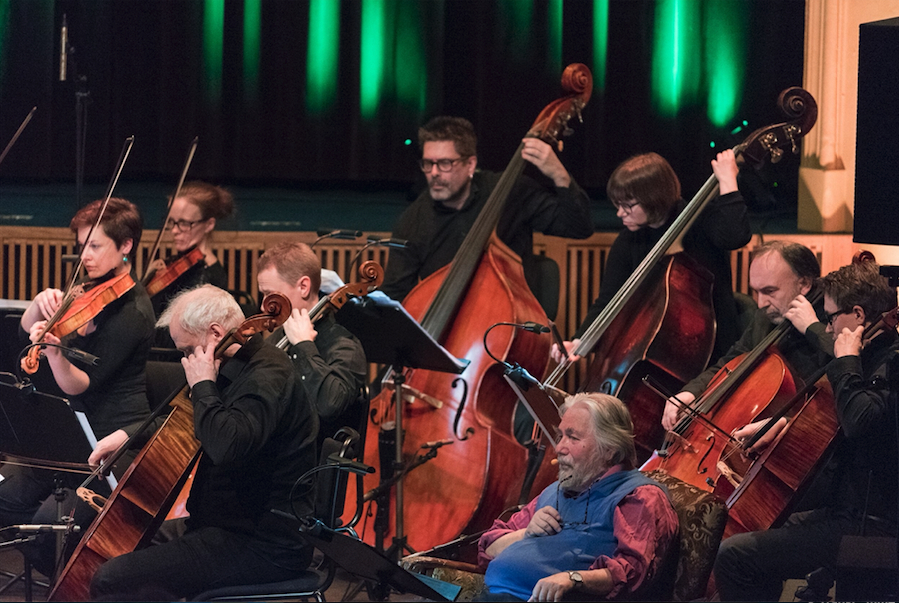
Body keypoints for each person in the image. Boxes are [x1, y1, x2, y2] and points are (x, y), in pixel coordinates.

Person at [90, 284, 318, 600]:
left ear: (214, 333)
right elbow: (186, 418)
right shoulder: (227, 365)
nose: (186, 360)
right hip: (216, 524)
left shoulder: (269, 375)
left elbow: (226, 445)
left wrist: (204, 386)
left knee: (112, 578)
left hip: (261, 542)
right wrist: (128, 435)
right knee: (115, 544)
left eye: (187, 350)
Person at [713, 259, 898, 601]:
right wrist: (783, 426)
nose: (826, 329)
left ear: (858, 314)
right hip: (844, 510)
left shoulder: (890, 362)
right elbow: (834, 418)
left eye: (830, 318)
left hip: (873, 526)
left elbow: (859, 422)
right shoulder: (865, 356)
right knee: (742, 539)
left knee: (736, 557)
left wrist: (844, 361)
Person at [0, 198, 155, 571]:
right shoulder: (87, 290)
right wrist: (38, 306)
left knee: (45, 530)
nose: (84, 255)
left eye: (95, 246)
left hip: (110, 443)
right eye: (82, 244)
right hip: (67, 437)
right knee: (5, 501)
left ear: (125, 246)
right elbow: (22, 338)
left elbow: (81, 384)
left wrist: (55, 353)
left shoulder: (133, 312)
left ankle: (75, 587)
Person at [554, 150, 751, 365]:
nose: (620, 213)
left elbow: (736, 236)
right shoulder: (629, 240)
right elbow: (609, 300)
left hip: (715, 350)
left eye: (627, 205)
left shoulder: (701, 221)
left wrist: (728, 181)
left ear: (653, 199)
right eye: (617, 205)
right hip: (657, 356)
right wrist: (580, 341)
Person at [476, 393, 678, 601]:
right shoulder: (556, 490)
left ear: (609, 449)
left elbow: (633, 573)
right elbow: (488, 549)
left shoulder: (639, 495)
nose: (559, 448)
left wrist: (573, 578)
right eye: (560, 436)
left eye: (572, 437)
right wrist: (526, 533)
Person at [380, 115, 594, 302]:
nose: (434, 173)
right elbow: (395, 293)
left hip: (514, 324)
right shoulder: (413, 221)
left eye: (445, 163)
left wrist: (559, 175)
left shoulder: (511, 192)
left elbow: (579, 228)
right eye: (428, 163)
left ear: (470, 164)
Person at [661, 240, 834, 432]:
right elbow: (731, 362)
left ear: (804, 283)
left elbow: (838, 384)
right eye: (756, 292)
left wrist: (812, 328)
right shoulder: (764, 318)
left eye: (769, 291)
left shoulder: (833, 318)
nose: (761, 304)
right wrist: (692, 392)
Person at [257, 241, 367, 444]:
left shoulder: (345, 346)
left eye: (269, 294)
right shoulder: (277, 338)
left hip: (309, 466)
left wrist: (303, 347)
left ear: (303, 286)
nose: (264, 306)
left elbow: (328, 405)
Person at [146, 181, 235, 344]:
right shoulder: (178, 264)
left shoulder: (207, 276)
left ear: (209, 224)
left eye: (185, 223)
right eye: (172, 221)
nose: (174, 230)